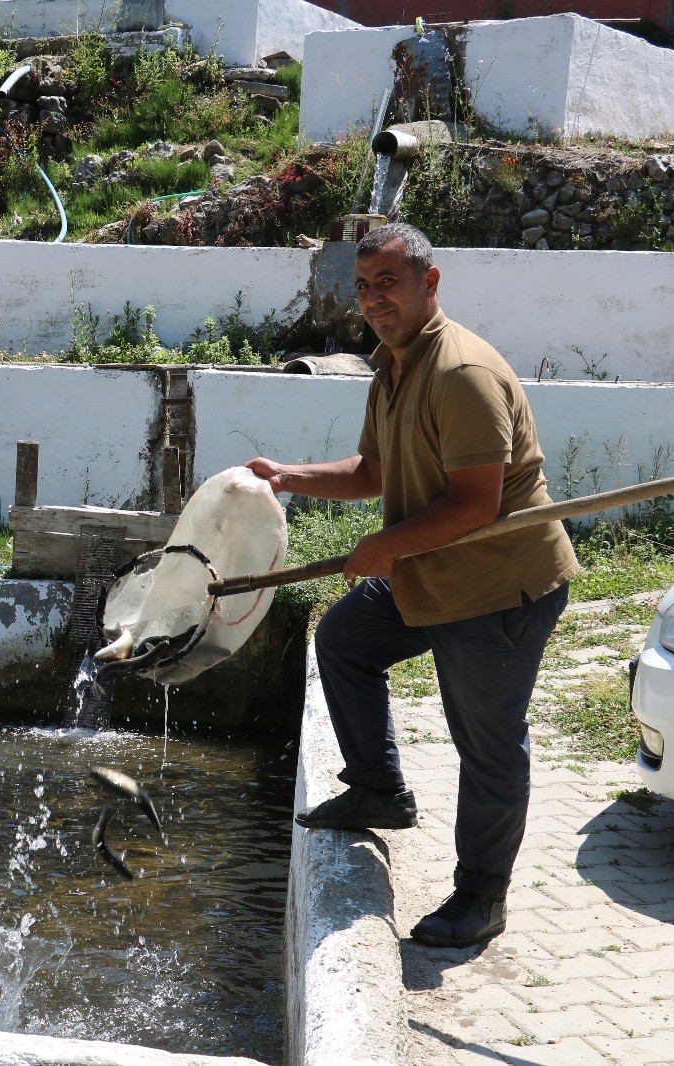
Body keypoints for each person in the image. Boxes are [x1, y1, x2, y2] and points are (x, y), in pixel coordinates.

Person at [246, 223, 578, 948]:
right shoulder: (392, 366)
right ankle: (377, 789)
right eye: (363, 286)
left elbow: (474, 506)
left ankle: (481, 898)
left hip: (498, 586)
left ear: (429, 283)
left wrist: (381, 548)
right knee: (344, 639)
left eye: (387, 283)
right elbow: (373, 472)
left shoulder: (460, 373)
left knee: (486, 745)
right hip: (431, 569)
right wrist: (287, 476)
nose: (372, 299)